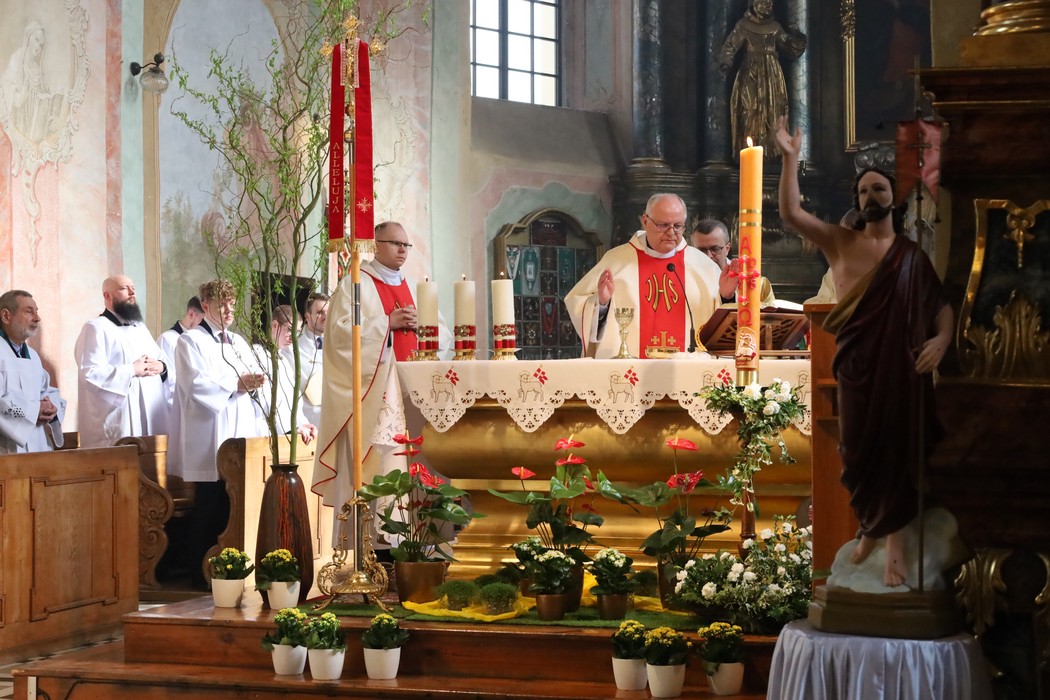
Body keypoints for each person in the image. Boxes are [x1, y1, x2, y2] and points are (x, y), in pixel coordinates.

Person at [775, 115, 952, 587]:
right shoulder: (841, 242)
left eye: (879, 189)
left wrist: (941, 340)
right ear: (856, 201)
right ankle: (870, 530)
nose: (871, 197)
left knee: (897, 449)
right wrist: (790, 158)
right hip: (857, 367)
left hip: (903, 369)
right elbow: (792, 214)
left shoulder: (911, 255)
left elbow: (941, 308)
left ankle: (893, 546)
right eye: (863, 192)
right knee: (857, 452)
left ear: (894, 196)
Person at [313, 222, 450, 539]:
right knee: (385, 463)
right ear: (375, 245)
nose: (403, 250)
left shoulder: (415, 287)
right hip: (376, 397)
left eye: (406, 245)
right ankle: (379, 544)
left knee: (421, 463)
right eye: (395, 243)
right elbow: (339, 336)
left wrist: (423, 326)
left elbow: (442, 335)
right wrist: (387, 323)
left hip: (415, 395)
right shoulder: (355, 283)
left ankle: (424, 543)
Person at [168, 279, 265, 587]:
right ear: (205, 305)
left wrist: (255, 382)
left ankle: (229, 570)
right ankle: (199, 574)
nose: (228, 310)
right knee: (209, 504)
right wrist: (236, 384)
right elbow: (195, 384)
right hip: (209, 434)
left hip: (239, 431)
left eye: (232, 304)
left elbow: (250, 378)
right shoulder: (190, 341)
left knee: (232, 506)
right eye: (221, 305)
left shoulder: (238, 342)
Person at [564, 194, 721, 358]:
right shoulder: (616, 261)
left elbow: (723, 321)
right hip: (629, 368)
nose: (671, 232)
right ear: (645, 221)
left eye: (678, 226)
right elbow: (578, 304)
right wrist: (602, 303)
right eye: (663, 225)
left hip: (687, 369)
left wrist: (727, 295)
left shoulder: (703, 267)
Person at [73, 275, 170, 448]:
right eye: (125, 288)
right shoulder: (95, 328)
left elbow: (160, 359)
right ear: (107, 296)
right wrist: (132, 370)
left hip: (150, 417)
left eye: (133, 288)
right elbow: (89, 373)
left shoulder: (139, 328)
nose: (132, 293)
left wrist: (161, 367)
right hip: (118, 422)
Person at [718, 0, 806, 154]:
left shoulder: (775, 27)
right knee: (749, 108)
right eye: (764, 2)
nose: (768, 5)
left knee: (774, 109)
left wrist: (797, 37)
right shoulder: (743, 25)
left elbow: (789, 45)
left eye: (770, 3)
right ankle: (750, 148)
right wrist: (726, 60)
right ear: (754, 3)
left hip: (772, 74)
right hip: (750, 72)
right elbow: (731, 45)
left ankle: (772, 151)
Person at [0, 290, 65, 454]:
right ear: (6, 316)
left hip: (38, 446)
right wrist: (34, 410)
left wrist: (51, 407)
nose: (37, 318)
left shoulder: (32, 355)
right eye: (29, 312)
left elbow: (46, 390)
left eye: (36, 312)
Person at [255, 304, 316, 444]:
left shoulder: (284, 361)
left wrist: (304, 424)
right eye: (289, 330)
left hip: (286, 433)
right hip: (266, 434)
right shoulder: (257, 355)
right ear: (274, 325)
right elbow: (267, 403)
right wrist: (291, 429)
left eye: (297, 332)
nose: (293, 337)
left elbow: (292, 401)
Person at [692, 218, 776, 306]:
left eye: (715, 249)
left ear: (727, 249)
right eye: (701, 250)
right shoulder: (686, 283)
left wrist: (728, 298)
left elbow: (772, 313)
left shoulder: (758, 284)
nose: (708, 256)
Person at [288, 292, 328, 427]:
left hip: (334, 417)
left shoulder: (339, 342)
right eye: (319, 313)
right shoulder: (293, 345)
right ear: (307, 316)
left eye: (328, 312)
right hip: (308, 419)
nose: (325, 317)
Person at [157, 296, 205, 363]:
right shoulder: (167, 340)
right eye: (203, 321)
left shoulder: (204, 341)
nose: (205, 326)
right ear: (191, 314)